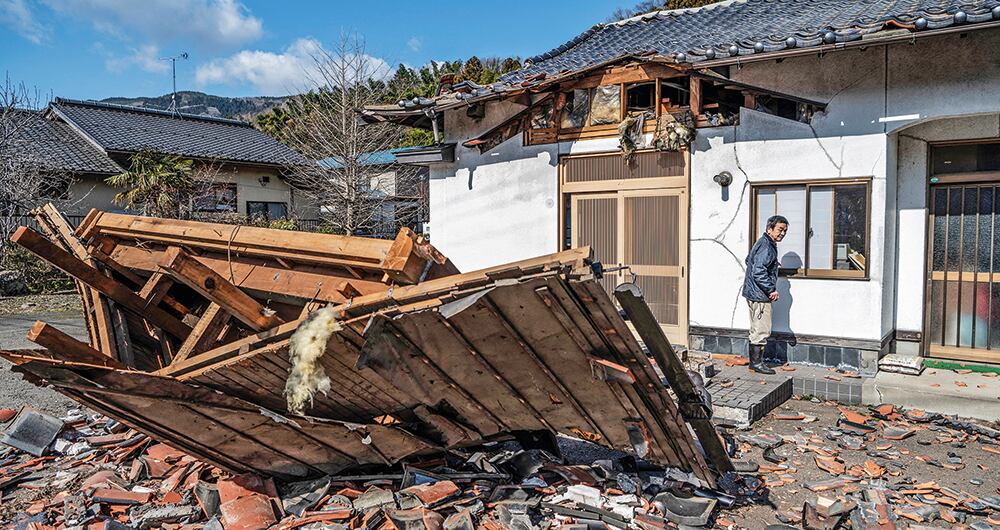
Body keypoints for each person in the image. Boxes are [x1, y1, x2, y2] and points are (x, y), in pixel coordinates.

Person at [742, 215, 788, 375]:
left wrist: (772, 265)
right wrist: (770, 289)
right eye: (780, 230)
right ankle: (757, 363)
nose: (782, 233)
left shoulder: (762, 243)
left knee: (756, 328)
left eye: (785, 231)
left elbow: (750, 260)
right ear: (770, 229)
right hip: (760, 296)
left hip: (753, 293)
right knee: (761, 329)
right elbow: (758, 270)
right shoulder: (767, 246)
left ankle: (755, 363)